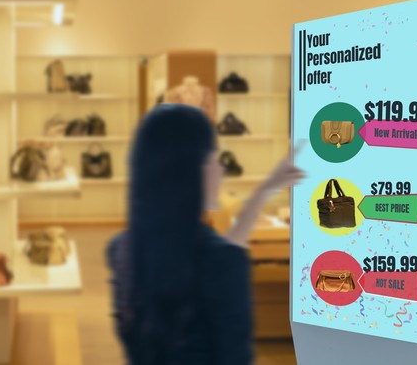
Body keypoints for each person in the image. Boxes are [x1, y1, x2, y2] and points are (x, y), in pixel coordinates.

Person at [107, 104, 304, 364]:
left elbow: (217, 255)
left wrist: (264, 191)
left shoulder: (122, 250)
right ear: (188, 172)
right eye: (213, 160)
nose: (221, 170)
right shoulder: (220, 263)